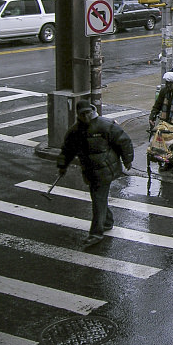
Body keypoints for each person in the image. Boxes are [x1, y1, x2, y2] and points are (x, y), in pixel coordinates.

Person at [58, 100, 134, 247]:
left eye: (87, 113)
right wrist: (62, 166)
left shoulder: (104, 125)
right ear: (78, 115)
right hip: (90, 171)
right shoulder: (75, 131)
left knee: (98, 199)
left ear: (91, 111)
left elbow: (124, 141)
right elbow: (67, 150)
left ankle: (96, 233)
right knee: (98, 198)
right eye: (82, 114)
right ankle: (107, 221)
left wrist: (127, 160)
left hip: (105, 170)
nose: (86, 116)